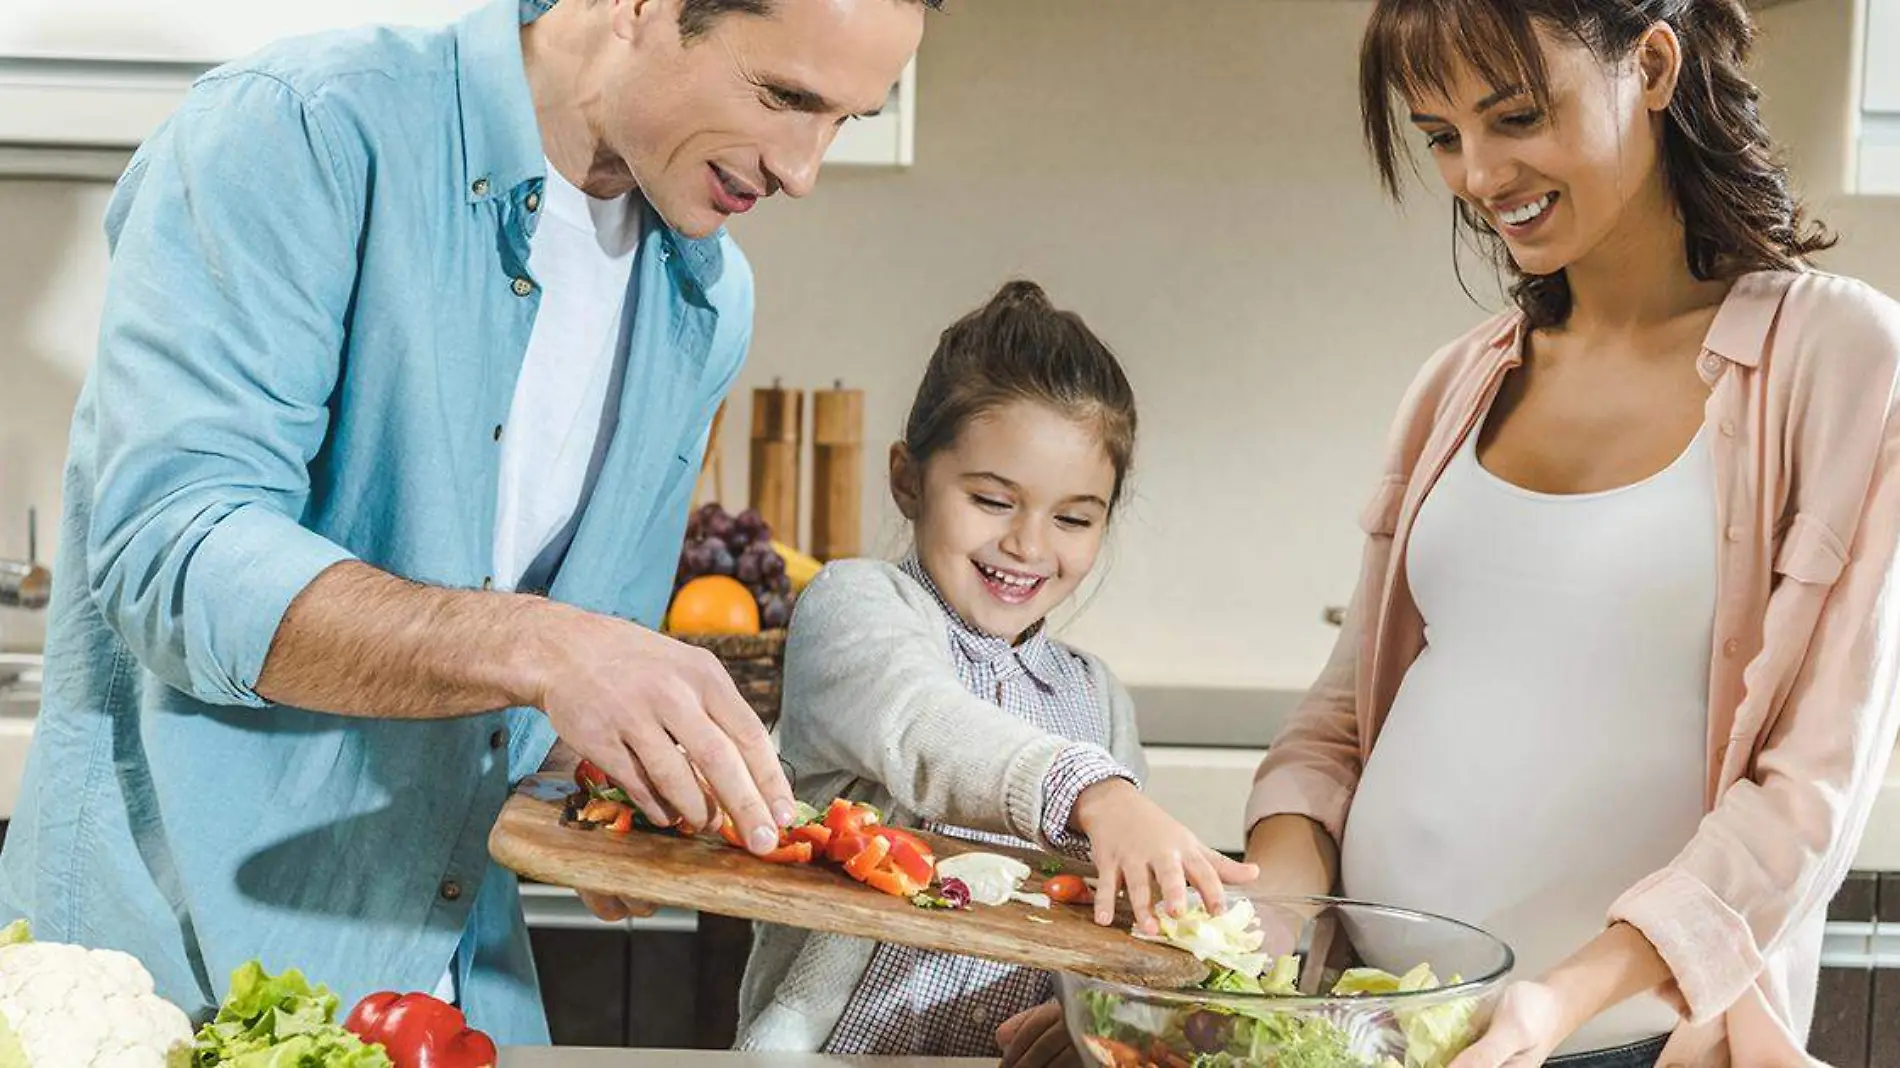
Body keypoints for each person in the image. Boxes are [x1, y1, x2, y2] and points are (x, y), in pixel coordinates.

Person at [0, 0, 929, 1042]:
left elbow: (526, 700)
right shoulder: (302, 130)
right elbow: (172, 554)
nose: (803, 170)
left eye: (846, 119)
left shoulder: (704, 294)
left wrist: (601, 781)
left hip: (453, 999)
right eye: (785, 97)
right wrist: (544, 647)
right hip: (174, 985)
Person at [1246, 1, 1900, 1065]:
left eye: (1513, 117)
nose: (1476, 174)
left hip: (1626, 1041)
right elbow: (1335, 728)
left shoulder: (1840, 359)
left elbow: (1808, 793)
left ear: (1648, 65)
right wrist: (1236, 951)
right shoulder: (1458, 381)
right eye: (1442, 137)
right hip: (1371, 1027)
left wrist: (1555, 1003)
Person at [736, 281, 1258, 1062]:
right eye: (991, 499)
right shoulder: (855, 609)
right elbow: (921, 725)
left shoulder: (1095, 698)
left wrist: (1106, 1009)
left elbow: (1107, 916)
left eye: (1074, 518)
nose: (1027, 544)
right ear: (908, 480)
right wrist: (1093, 793)